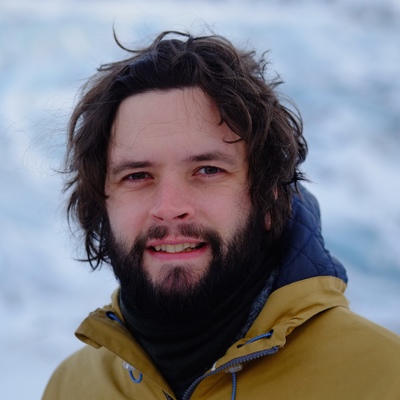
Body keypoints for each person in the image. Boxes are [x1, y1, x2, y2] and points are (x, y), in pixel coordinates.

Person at [42, 30, 400, 400]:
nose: (169, 207)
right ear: (101, 205)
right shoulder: (71, 387)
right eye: (137, 176)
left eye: (208, 170)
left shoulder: (384, 379)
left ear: (269, 197)